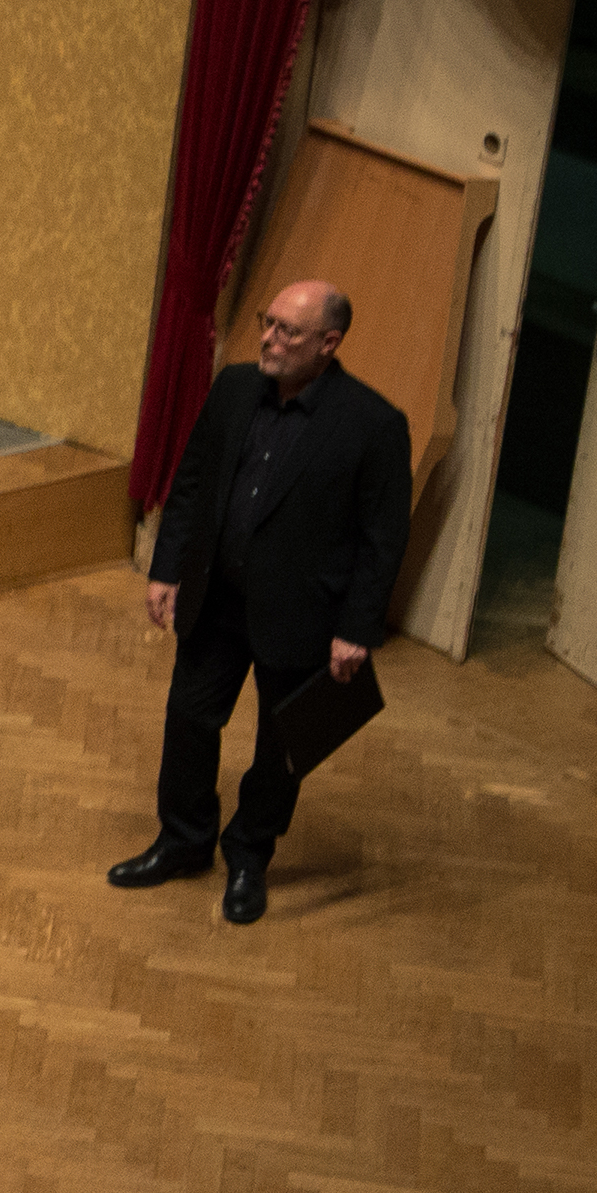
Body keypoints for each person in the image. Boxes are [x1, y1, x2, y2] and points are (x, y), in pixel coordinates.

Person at [109, 279, 412, 927]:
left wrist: (357, 628)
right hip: (216, 598)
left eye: (287, 331)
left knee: (280, 748)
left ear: (328, 344)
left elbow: (381, 541)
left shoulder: (372, 425)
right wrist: (166, 568)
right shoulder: (234, 387)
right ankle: (182, 841)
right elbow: (192, 480)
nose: (268, 339)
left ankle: (248, 855)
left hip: (303, 616)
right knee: (188, 720)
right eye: (265, 323)